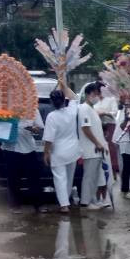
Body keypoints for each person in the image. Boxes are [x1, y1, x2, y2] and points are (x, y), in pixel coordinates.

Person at [42, 86, 82, 215]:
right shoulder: (71, 111)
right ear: (64, 100)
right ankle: (67, 200)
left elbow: (49, 138)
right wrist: (63, 84)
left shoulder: (52, 116)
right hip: (73, 150)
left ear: (52, 102)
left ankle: (64, 205)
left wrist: (46, 152)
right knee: (69, 177)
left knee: (60, 178)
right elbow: (74, 97)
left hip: (58, 151)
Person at [2, 112, 45, 213]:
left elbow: (39, 128)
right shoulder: (6, 107)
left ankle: (38, 205)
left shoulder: (33, 109)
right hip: (10, 148)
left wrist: (33, 129)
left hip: (29, 148)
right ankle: (14, 206)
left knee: (34, 178)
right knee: (13, 179)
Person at [77, 82, 111, 211]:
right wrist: (97, 143)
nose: (97, 96)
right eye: (95, 93)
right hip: (90, 149)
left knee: (95, 177)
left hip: (96, 150)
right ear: (88, 94)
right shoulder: (84, 108)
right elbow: (86, 129)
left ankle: (93, 200)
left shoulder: (91, 109)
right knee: (89, 177)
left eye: (98, 94)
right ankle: (86, 201)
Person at [113, 98, 130, 198]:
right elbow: (121, 126)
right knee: (126, 166)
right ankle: (125, 188)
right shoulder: (122, 112)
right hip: (125, 142)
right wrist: (127, 118)